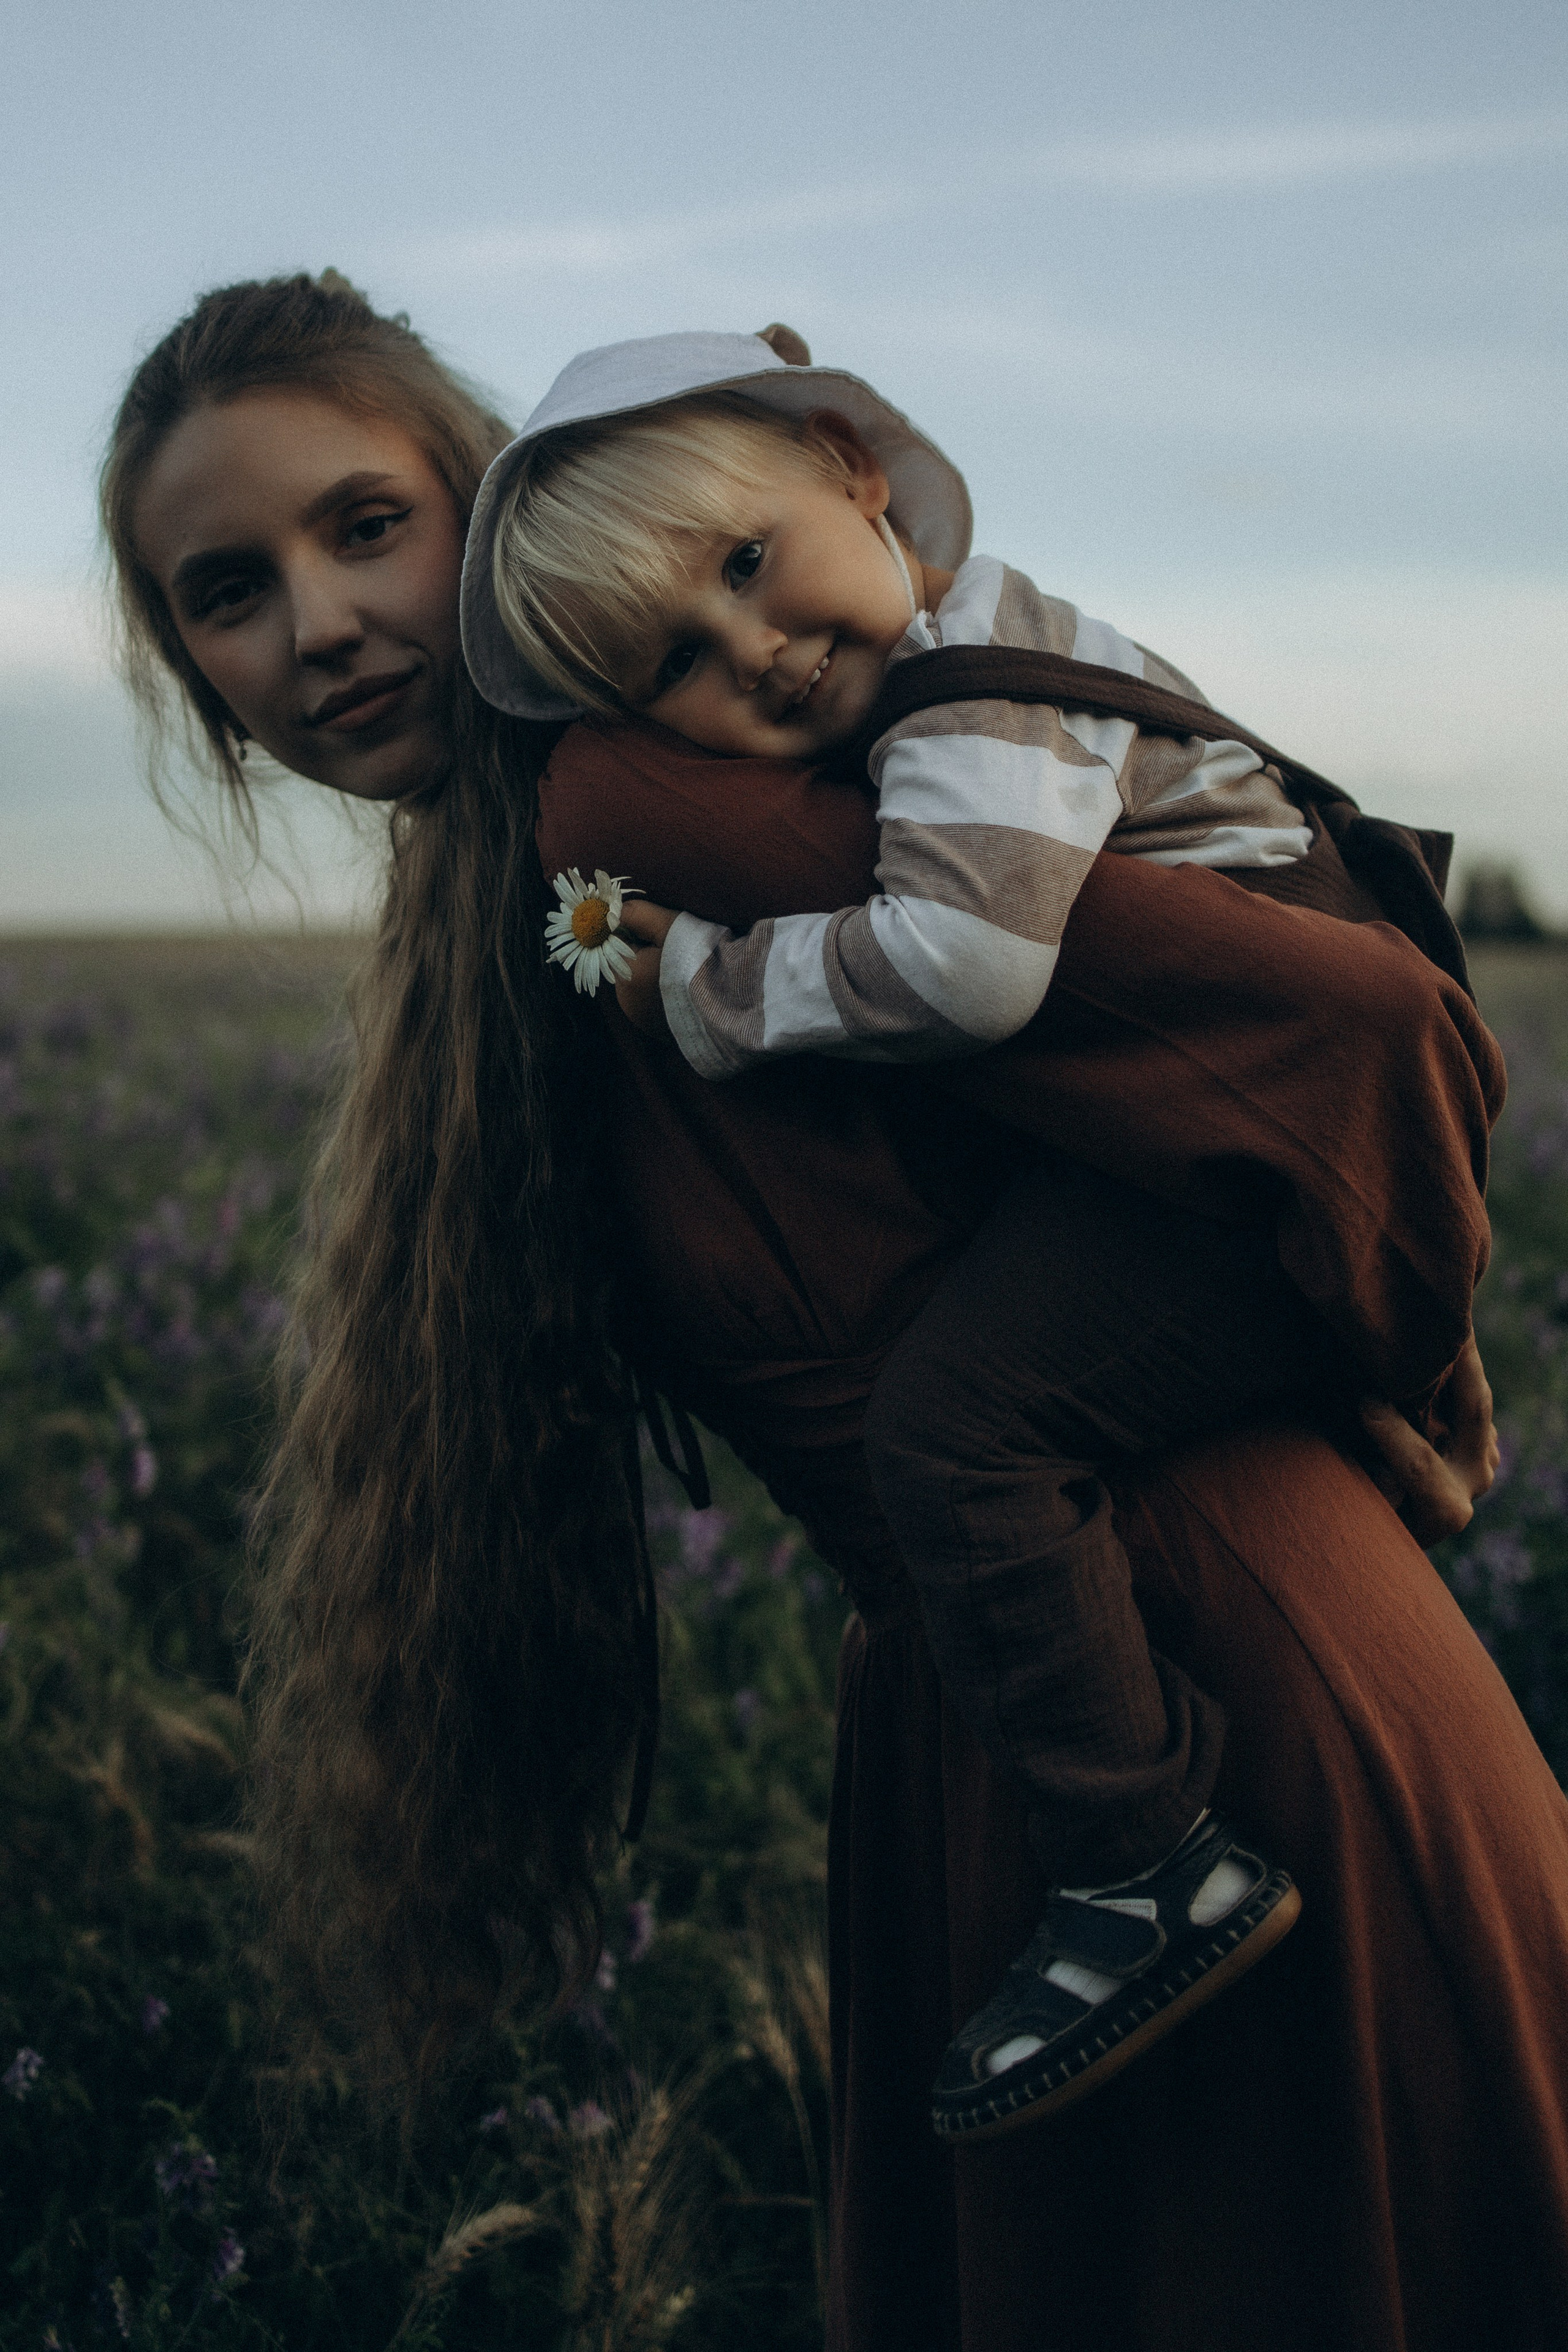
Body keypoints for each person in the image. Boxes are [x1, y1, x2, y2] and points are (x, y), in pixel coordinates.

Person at [103, 274, 1568, 2351]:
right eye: (225, 592)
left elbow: (1344, 1036)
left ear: (506, 518)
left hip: (1212, 1726)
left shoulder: (646, 809)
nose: (318, 626)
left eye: (368, 527)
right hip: (1054, 1723)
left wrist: (1385, 1321)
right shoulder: (538, 879)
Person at [458, 328, 1486, 2137]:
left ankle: (1145, 1851)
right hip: (1227, 1161)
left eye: (748, 565)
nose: (753, 653)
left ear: (857, 469)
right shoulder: (968, 663)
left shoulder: (968, 703)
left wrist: (701, 983)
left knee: (961, 1429)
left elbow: (969, 963)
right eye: (672, 666)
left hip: (1233, 1179)